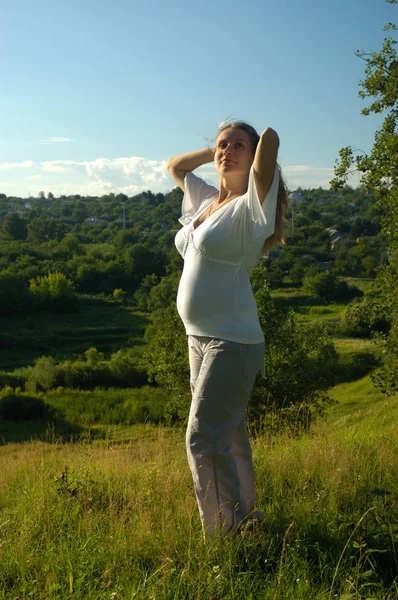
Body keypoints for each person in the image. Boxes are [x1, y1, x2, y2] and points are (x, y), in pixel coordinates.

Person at [167, 121, 288, 535]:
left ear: (253, 157)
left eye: (238, 146)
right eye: (222, 145)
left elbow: (269, 139)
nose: (227, 150)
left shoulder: (253, 205)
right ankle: (246, 518)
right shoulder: (205, 202)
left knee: (202, 438)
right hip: (198, 338)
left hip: (233, 340)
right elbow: (175, 167)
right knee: (229, 436)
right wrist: (214, 152)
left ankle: (224, 535)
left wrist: (254, 148)